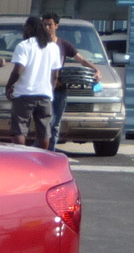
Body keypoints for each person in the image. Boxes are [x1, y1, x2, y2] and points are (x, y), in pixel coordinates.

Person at [41, 12, 98, 151]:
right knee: (43, 123)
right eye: (45, 25)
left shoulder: (64, 45)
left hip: (59, 90)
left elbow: (82, 60)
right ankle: (40, 151)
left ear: (56, 26)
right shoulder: (39, 45)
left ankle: (51, 152)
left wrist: (96, 70)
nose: (47, 28)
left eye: (50, 25)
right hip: (42, 90)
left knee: (55, 124)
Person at [6, 15, 60, 147]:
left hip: (24, 94)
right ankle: (43, 161)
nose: (24, 31)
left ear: (29, 28)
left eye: (25, 27)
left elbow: (18, 70)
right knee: (44, 132)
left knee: (20, 130)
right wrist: (50, 90)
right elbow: (55, 75)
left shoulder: (24, 46)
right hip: (44, 95)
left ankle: (20, 160)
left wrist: (9, 85)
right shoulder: (53, 47)